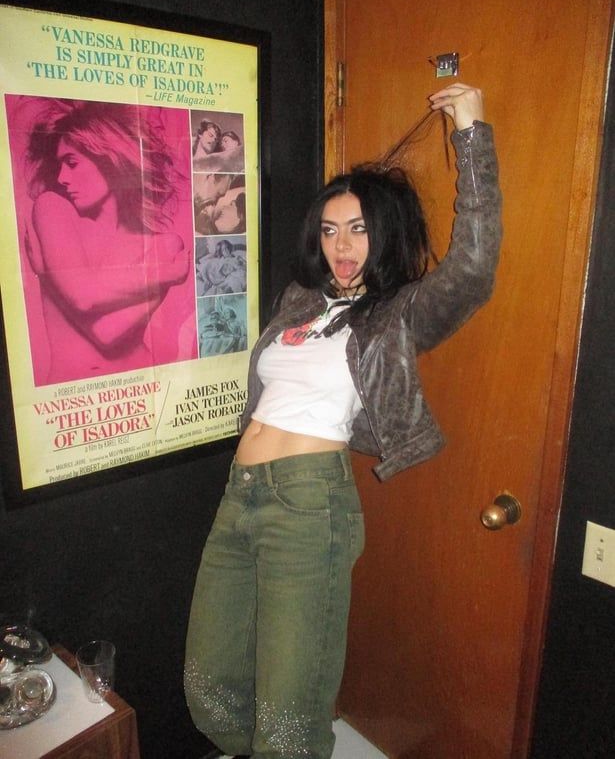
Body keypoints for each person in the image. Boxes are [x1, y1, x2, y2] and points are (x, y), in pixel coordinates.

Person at [184, 84, 501, 759]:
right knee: (209, 689)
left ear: (381, 231)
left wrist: (469, 132)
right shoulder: (299, 300)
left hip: (310, 506)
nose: (341, 244)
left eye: (356, 228)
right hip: (239, 500)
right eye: (329, 229)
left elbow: (473, 269)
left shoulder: (396, 315)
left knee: (290, 715)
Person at [18, 98, 191, 384]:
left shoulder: (164, 244)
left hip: (144, 388)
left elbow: (106, 333)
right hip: (76, 403)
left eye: (72, 163)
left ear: (108, 157)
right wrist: (167, 273)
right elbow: (82, 296)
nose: (61, 177)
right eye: (60, 164)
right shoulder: (52, 208)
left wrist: (77, 282)